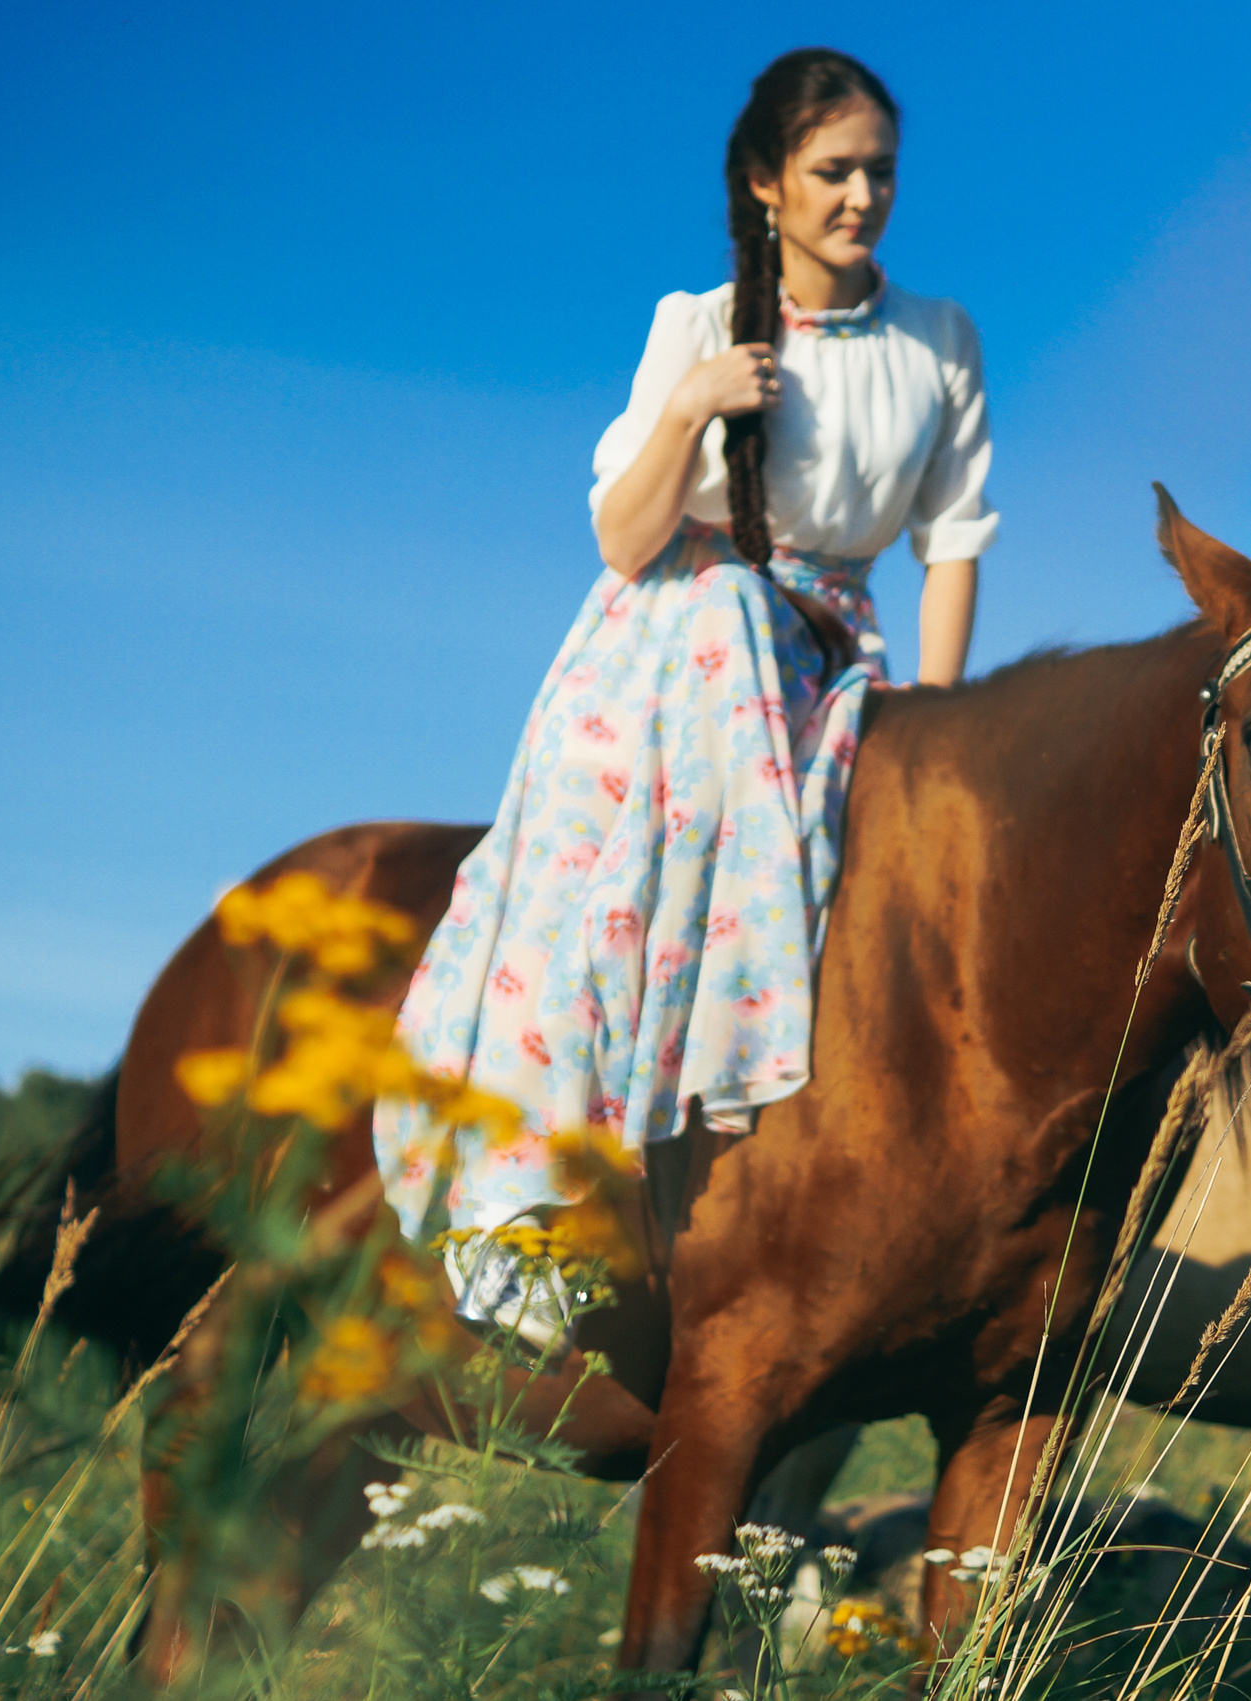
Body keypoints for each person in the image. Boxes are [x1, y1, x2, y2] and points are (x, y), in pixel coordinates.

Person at [374, 48, 995, 1332]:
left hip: (833, 648)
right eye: (833, 172)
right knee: (585, 869)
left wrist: (941, 714)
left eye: (880, 170)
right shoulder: (695, 324)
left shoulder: (939, 340)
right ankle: (523, 1200)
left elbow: (952, 544)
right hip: (676, 632)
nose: (862, 196)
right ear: (768, 185)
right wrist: (691, 411)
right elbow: (622, 536)